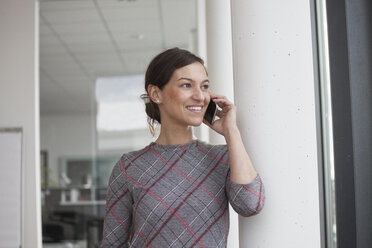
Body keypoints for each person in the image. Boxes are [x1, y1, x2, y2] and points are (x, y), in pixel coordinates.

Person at [101, 48, 265, 247]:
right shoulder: (129, 167)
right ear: (155, 93)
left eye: (204, 86)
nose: (200, 96)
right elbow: (112, 244)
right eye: (186, 85)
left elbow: (250, 205)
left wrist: (231, 132)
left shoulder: (221, 158)